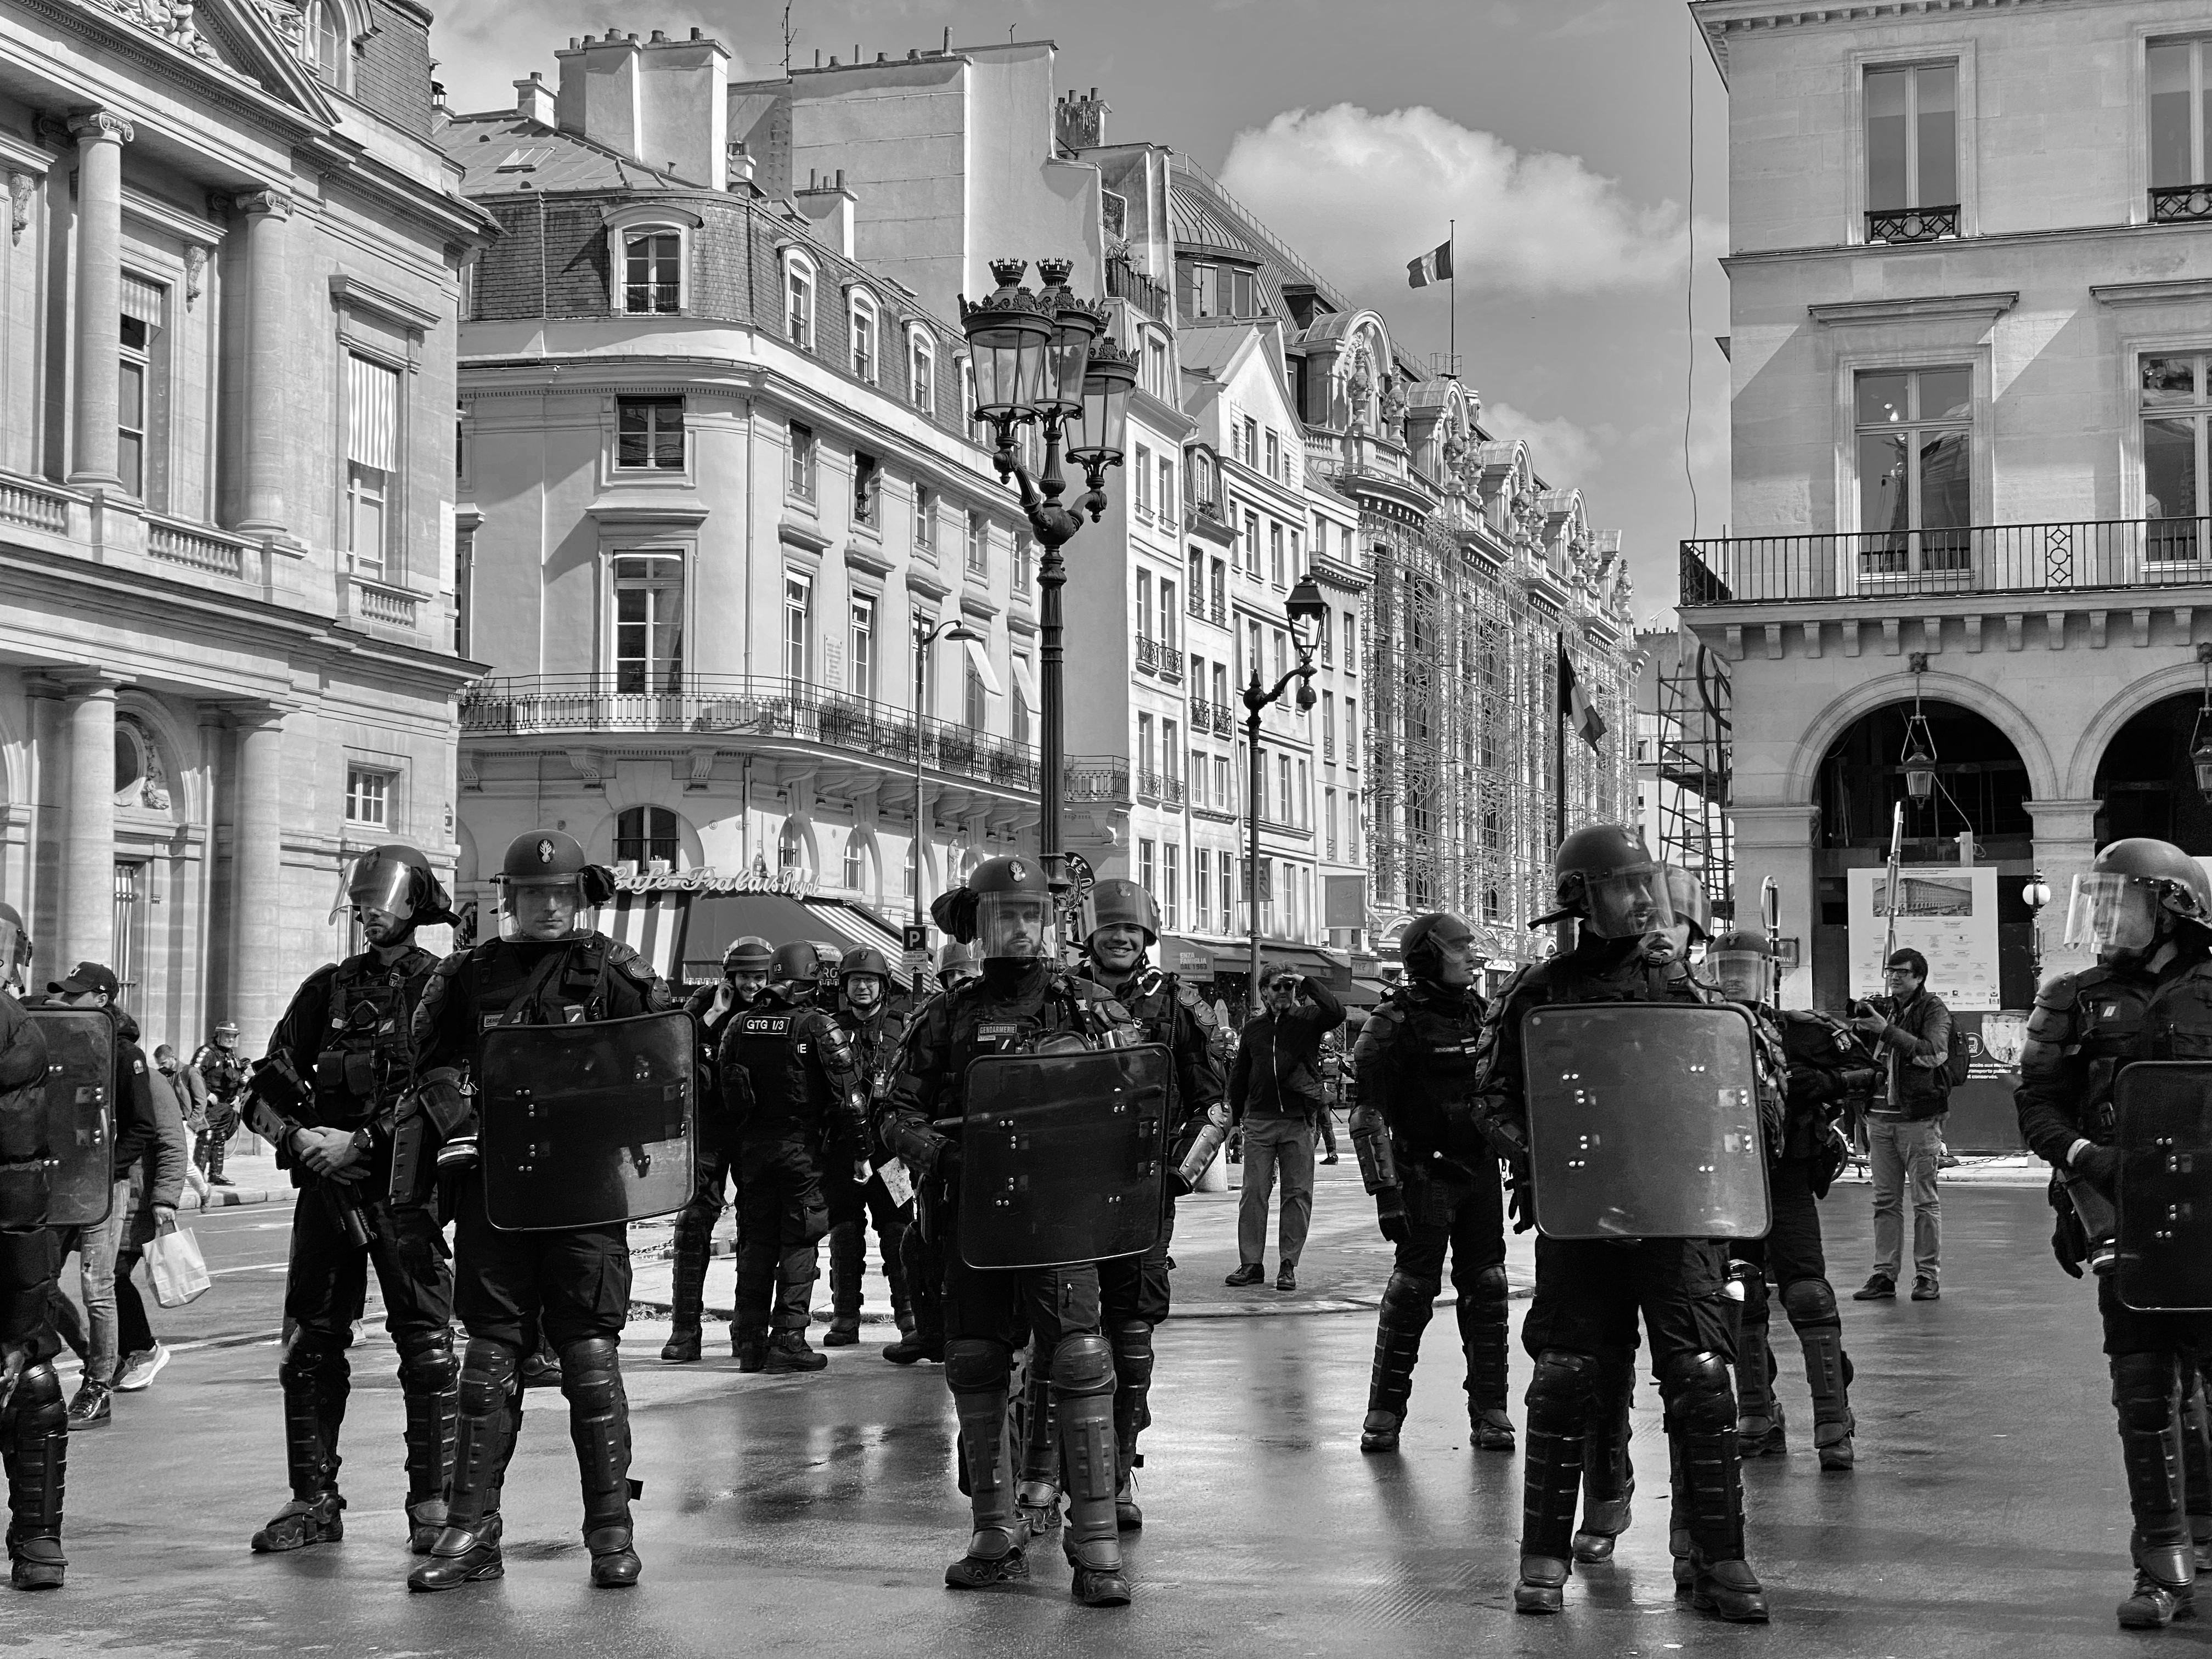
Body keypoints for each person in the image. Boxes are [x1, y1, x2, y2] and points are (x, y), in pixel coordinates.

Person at [1473, 826, 1771, 1623]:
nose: (1644, 900)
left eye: (1649, 883)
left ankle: (1719, 1555)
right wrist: (1546, 1153)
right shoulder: (1540, 991)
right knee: (1568, 1376)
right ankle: (1543, 1554)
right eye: (1624, 886)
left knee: (1704, 1377)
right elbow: (1494, 1098)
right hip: (1584, 1217)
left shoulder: (1691, 990)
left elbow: (1737, 1090)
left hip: (1678, 1217)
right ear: (1582, 899)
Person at [402, 829, 671, 1593]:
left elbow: (667, 1061)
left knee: (589, 1361)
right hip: (499, 1190)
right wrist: (462, 1117)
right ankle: (471, 1531)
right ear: (510, 899)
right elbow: (429, 1062)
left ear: (577, 896)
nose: (549, 907)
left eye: (561, 894)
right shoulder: (469, 973)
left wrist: (610, 1103)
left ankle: (611, 1532)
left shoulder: (615, 970)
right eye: (533, 895)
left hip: (588, 1193)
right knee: (486, 1362)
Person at [876, 857, 1141, 1607]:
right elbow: (892, 1109)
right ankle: (995, 1535)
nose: (1021, 929)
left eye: (1032, 914)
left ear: (1050, 923)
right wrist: (942, 1151)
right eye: (1006, 916)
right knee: (974, 1360)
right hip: (973, 1215)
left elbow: (1142, 1100)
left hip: (1062, 1216)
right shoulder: (947, 1014)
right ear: (983, 926)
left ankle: (1095, 1549)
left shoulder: (1090, 1007)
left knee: (1084, 1361)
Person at [240, 845, 461, 1557]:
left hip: (403, 1189)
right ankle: (313, 1500)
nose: (369, 913)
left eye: (383, 900)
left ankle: (432, 1503)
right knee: (310, 1346)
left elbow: (453, 1089)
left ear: (414, 903)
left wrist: (361, 1143)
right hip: (327, 1193)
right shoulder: (329, 988)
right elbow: (262, 1086)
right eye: (361, 902)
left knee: (427, 1348)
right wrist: (301, 1139)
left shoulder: (441, 985)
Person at [2017, 837, 2212, 1629]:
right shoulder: (2074, 995)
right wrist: (2083, 1156)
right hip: (2119, 1209)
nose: (2102, 918)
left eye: (2118, 901)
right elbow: (2037, 1104)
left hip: (2209, 1211)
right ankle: (2161, 1561)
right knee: (2142, 1392)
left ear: (2170, 907)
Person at [1068, 878, 1224, 1531]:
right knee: (1066, 1335)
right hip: (1068, 1183)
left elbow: (1212, 1103)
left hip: (1143, 1183)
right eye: (1111, 929)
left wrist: (1177, 1176)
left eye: (1132, 929)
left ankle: (1121, 1465)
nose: (1123, 938)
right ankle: (1051, 1472)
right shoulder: (1060, 997)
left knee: (1132, 1332)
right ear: (1091, 934)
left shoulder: (1179, 1005)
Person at [1706, 932, 1876, 1472]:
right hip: (1725, 1178)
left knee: (1806, 1292)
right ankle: (1755, 1412)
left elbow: (1868, 1069)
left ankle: (1833, 1423)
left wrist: (1812, 1082)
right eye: (1723, 968)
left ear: (1767, 972)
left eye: (1744, 968)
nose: (1733, 978)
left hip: (1785, 1174)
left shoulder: (1796, 1030)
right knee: (1739, 1291)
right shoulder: (1698, 1034)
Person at [1349, 912, 1513, 1457]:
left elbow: (1511, 1096)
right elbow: (1367, 1114)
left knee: (1488, 1288)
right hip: (1423, 1173)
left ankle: (1490, 1408)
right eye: (1460, 947)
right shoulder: (1391, 1023)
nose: (1470, 956)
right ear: (1428, 957)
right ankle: (1383, 1411)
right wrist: (1386, 1193)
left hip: (1480, 1169)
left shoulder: (1486, 1016)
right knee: (1413, 1289)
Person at [718, 943, 867, 1373]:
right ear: (811, 979)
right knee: (800, 1239)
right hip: (802, 1150)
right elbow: (851, 1100)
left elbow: (727, 1090)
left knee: (756, 1243)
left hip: (754, 1151)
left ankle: (749, 1342)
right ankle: (788, 1338)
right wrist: (861, 1154)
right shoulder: (817, 1026)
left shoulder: (739, 1025)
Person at [41, 964, 156, 1430]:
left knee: (97, 1286)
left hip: (104, 1187)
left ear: (103, 1000)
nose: (67, 1003)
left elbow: (142, 1128)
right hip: (62, 1183)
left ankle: (99, 1385)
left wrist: (104, 1171)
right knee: (40, 1281)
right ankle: (92, 1353)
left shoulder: (126, 1056)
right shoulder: (63, 1049)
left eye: (76, 996)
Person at [663, 936, 772, 1363]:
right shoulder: (702, 1007)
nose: (751, 984)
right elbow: (675, 1053)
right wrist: (713, 1015)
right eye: (744, 976)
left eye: (759, 976)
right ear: (730, 976)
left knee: (756, 1228)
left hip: (752, 1131)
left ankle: (747, 1331)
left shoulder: (773, 1011)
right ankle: (684, 1330)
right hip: (708, 1129)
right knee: (693, 1225)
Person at [0, 904, 61, 1589]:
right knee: (33, 1379)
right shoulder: (16, 1030)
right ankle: (38, 1541)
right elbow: (18, 1198)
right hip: (10, 1241)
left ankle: (40, 1542)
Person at [885, 941, 979, 1369]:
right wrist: (935, 1153)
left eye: (964, 976)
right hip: (944, 1154)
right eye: (951, 977)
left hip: (1011, 1155)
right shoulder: (936, 1018)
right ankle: (929, 1332)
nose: (958, 984)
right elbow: (900, 1101)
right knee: (917, 1244)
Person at [1225, 966, 1345, 1291]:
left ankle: (1288, 1265)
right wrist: (1234, 1121)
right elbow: (1239, 1076)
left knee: (1297, 1194)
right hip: (1260, 1121)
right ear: (1264, 991)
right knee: (1254, 1194)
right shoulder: (1253, 1029)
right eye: (1277, 987)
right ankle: (1251, 1264)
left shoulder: (1308, 1021)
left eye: (1289, 987)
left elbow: (1336, 1011)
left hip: (1298, 1120)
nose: (1283, 992)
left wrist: (1305, 981)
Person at [1851, 947, 1953, 1303]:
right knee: (1884, 1201)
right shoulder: (1887, 1007)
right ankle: (1884, 1274)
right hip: (1878, 1120)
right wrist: (1861, 1028)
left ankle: (1927, 1276)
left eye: (1902, 972)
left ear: (1919, 977)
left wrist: (1886, 1030)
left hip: (1918, 1120)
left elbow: (1933, 1053)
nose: (1894, 977)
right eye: (1890, 971)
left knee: (1924, 1201)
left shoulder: (1932, 1009)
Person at [823, 948, 913, 1349]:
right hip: (842, 1149)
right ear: (844, 987)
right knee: (844, 1232)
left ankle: (910, 1316)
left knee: (899, 1232)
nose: (862, 987)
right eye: (855, 980)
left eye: (870, 980)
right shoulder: (828, 1028)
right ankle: (845, 1316)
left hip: (889, 1152)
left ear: (883, 986)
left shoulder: (904, 1027)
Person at [110, 1041, 191, 1394]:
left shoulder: (149, 1078)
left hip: (137, 1198)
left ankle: (143, 1349)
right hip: (108, 1194)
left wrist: (165, 1200)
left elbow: (173, 1141)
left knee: (112, 1275)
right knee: (103, 1279)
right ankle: (121, 1354)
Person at [191, 1020, 248, 1186]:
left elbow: (239, 1078)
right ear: (219, 1035)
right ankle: (198, 1174)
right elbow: (193, 1074)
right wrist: (207, 1095)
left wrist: (238, 1096)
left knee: (221, 1137)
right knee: (207, 1136)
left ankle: (216, 1175)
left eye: (233, 1036)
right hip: (211, 1104)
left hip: (227, 1105)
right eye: (227, 1036)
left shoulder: (231, 1055)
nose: (230, 1039)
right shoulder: (206, 1052)